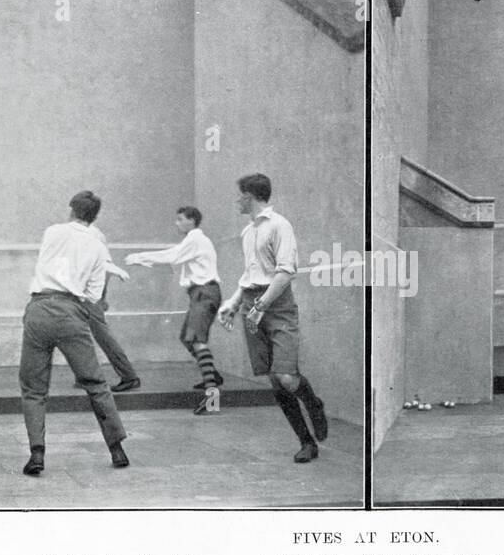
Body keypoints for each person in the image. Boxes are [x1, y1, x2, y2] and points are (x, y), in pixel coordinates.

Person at [217, 173, 329, 463]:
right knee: (275, 381)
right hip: (253, 304)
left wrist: (262, 306)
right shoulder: (247, 232)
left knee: (287, 376)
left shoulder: (280, 225)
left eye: (239, 195)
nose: (237, 200)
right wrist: (232, 303)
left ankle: (313, 403)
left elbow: (285, 272)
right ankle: (307, 442)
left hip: (277, 305)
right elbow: (249, 276)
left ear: (250, 196)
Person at [19, 190, 130, 475]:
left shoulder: (52, 232)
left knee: (34, 388)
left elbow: (55, 261)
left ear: (71, 209)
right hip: (72, 314)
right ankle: (117, 448)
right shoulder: (97, 246)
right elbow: (93, 296)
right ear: (95, 217)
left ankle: (37, 454)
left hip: (39, 309)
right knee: (95, 383)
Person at [126, 206, 223, 415]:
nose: (176, 223)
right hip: (201, 293)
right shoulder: (194, 240)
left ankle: (212, 398)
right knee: (187, 338)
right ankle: (213, 377)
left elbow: (174, 256)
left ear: (192, 220)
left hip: (204, 293)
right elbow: (176, 255)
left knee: (197, 341)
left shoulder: (196, 239)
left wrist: (140, 256)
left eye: (180, 219)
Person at [78, 225, 140, 392]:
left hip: (90, 296)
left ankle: (129, 376)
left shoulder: (90, 233)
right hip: (85, 295)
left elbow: (103, 265)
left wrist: (101, 296)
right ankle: (86, 375)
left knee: (103, 336)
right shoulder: (88, 232)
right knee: (79, 335)